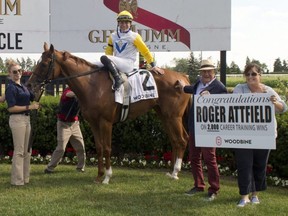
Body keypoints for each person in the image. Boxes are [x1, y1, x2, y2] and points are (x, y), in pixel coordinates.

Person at [232, 63, 288, 207]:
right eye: (248, 74)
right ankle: (244, 196)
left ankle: (255, 194)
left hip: (264, 135)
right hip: (243, 135)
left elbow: (283, 108)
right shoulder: (239, 89)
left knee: (259, 165)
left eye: (254, 74)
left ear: (260, 75)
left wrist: (275, 103)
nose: (251, 77)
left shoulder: (268, 90)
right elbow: (233, 105)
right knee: (244, 164)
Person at [178, 58, 227, 201]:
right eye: (203, 71)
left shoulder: (219, 87)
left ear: (214, 72)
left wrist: (211, 98)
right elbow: (191, 89)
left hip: (209, 129)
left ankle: (214, 189)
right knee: (194, 157)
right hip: (195, 126)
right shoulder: (199, 83)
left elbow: (224, 106)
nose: (206, 74)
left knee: (209, 158)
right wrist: (182, 86)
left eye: (209, 71)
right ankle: (198, 185)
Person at [98, 10, 164, 91]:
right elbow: (108, 52)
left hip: (128, 64)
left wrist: (153, 65)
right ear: (118, 23)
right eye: (121, 22)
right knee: (94, 64)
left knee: (103, 58)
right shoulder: (113, 36)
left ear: (130, 24)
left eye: (126, 22)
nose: (124, 25)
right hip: (116, 63)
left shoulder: (135, 36)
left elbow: (145, 51)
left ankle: (118, 80)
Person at [5, 59, 40, 186]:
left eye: (20, 71)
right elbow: (11, 108)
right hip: (17, 120)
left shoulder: (23, 86)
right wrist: (30, 107)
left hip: (26, 119)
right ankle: (17, 180)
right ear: (9, 74)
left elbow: (33, 96)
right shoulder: (11, 88)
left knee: (27, 151)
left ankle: (25, 178)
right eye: (15, 72)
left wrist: (40, 85)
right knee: (19, 151)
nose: (18, 73)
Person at [44, 87, 86, 173]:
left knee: (81, 147)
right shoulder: (67, 90)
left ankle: (80, 168)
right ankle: (49, 168)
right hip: (63, 124)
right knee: (61, 148)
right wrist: (79, 91)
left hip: (75, 124)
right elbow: (67, 94)